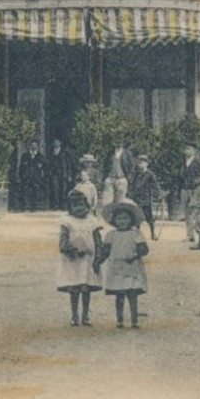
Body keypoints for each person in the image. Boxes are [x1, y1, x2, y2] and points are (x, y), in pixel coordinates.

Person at [56, 190, 104, 327]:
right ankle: (74, 314)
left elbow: (98, 240)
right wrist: (71, 250)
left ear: (87, 206)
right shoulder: (67, 221)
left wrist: (98, 258)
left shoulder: (92, 221)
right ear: (70, 207)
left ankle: (86, 314)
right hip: (73, 260)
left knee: (86, 287)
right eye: (75, 205)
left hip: (88, 259)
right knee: (74, 288)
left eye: (82, 205)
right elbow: (63, 241)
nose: (79, 208)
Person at [100, 199, 150, 328]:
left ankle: (134, 320)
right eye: (119, 219)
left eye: (125, 218)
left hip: (131, 267)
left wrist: (135, 254)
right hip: (116, 267)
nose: (122, 221)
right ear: (114, 220)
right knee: (119, 294)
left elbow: (144, 250)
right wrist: (97, 261)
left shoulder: (136, 234)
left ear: (131, 220)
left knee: (132, 294)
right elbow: (105, 251)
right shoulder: (111, 235)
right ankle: (120, 319)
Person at [130, 153, 162, 241]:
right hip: (136, 199)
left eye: (143, 162)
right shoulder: (135, 173)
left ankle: (153, 234)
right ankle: (137, 235)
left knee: (149, 218)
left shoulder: (150, 174)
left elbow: (155, 186)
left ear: (147, 164)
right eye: (139, 162)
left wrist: (158, 195)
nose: (141, 164)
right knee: (136, 217)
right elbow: (132, 184)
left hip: (145, 199)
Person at [181, 144, 200, 244]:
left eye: (189, 149)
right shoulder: (183, 162)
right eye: (185, 149)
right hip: (184, 189)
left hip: (194, 190)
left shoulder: (199, 162)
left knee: (196, 213)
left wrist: (196, 186)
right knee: (187, 213)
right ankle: (190, 235)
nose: (186, 151)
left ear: (194, 150)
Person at [103, 139, 136, 207]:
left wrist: (128, 179)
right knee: (107, 200)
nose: (118, 144)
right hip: (110, 178)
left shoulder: (127, 153)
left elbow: (132, 167)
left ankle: (117, 215)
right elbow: (105, 165)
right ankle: (107, 215)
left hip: (121, 178)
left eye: (120, 142)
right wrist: (105, 177)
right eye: (116, 142)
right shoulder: (110, 153)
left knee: (120, 201)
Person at [47, 139, 74, 210]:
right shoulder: (51, 153)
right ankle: (56, 205)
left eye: (57, 143)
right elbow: (49, 163)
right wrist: (49, 171)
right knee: (55, 189)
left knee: (63, 190)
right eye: (54, 144)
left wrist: (69, 175)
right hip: (54, 174)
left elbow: (68, 164)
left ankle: (63, 205)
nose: (56, 145)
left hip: (63, 174)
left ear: (60, 144)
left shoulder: (64, 153)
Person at [19, 140, 46, 211]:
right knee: (24, 192)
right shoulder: (25, 156)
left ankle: (33, 208)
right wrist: (22, 176)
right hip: (27, 177)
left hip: (36, 178)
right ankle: (23, 207)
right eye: (32, 145)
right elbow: (21, 168)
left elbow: (45, 167)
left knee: (35, 193)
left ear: (37, 147)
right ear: (30, 146)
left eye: (35, 146)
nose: (34, 147)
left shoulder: (41, 157)